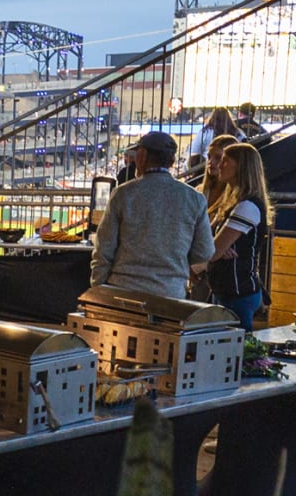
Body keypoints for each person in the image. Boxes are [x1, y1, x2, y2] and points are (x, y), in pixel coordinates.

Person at [90, 131, 215, 300]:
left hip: (122, 291)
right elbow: (205, 251)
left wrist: (99, 289)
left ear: (142, 156)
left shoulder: (123, 194)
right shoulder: (194, 199)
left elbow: (104, 247)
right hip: (170, 294)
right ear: (172, 161)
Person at [201, 142, 273, 330]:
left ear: (241, 166)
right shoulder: (232, 202)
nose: (219, 165)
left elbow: (212, 251)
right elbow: (207, 241)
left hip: (238, 293)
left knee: (237, 346)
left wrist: (217, 248)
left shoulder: (247, 206)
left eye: (225, 161)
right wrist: (216, 246)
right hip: (226, 290)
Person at [188, 106, 236, 175]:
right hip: (230, 168)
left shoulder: (205, 132)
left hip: (206, 169)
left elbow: (194, 151)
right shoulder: (237, 133)